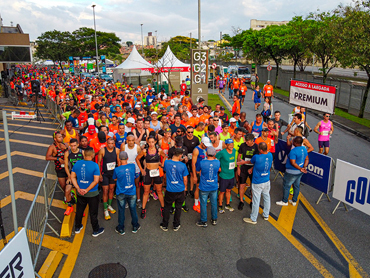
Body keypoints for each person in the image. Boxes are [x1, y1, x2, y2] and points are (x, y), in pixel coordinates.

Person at [71, 148, 104, 237]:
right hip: (92, 193)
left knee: (79, 210)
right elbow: (96, 181)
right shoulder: (95, 165)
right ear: (93, 155)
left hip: (80, 193)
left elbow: (72, 177)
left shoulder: (77, 163)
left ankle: (77, 227)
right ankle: (95, 230)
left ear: (84, 154)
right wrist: (87, 190)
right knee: (93, 213)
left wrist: (78, 188)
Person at [136, 136, 167, 219]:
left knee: (159, 191)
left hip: (156, 172)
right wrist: (142, 169)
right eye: (149, 142)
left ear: (155, 142)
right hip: (148, 172)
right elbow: (137, 159)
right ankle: (143, 209)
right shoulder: (144, 151)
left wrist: (162, 164)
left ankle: (163, 208)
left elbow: (164, 156)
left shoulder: (159, 151)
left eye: (153, 142)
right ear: (147, 142)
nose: (151, 144)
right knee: (146, 192)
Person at [243, 142, 273, 224]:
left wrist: (243, 162)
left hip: (257, 182)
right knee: (267, 197)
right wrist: (253, 168)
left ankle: (253, 218)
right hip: (266, 180)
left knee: (256, 200)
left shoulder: (256, 157)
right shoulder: (270, 155)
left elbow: (251, 162)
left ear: (260, 149)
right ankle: (266, 215)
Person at [160, 148, 189, 232]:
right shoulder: (183, 165)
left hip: (170, 189)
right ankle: (176, 225)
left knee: (167, 207)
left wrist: (164, 185)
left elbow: (165, 174)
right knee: (178, 207)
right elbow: (185, 179)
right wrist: (185, 188)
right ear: (180, 155)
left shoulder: (167, 162)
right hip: (180, 189)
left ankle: (165, 225)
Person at [113, 151, 141, 235]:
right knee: (133, 209)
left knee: (121, 210)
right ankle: (135, 226)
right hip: (131, 191)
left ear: (119, 159)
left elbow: (114, 179)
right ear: (127, 158)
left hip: (121, 192)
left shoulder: (117, 169)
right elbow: (136, 175)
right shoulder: (132, 166)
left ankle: (121, 228)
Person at [276, 137, 309, 206]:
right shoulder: (304, 149)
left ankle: (285, 201)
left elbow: (293, 163)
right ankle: (294, 201)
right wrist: (303, 167)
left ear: (295, 143)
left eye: (293, 141)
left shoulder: (293, 151)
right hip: (299, 173)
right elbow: (306, 159)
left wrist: (300, 168)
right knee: (296, 186)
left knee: (286, 186)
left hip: (291, 172)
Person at [45, 131, 71, 214]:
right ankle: (66, 195)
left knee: (69, 183)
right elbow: (47, 157)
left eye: (61, 137)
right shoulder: (52, 147)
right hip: (59, 169)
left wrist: (66, 149)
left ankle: (69, 197)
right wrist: (57, 159)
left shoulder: (65, 145)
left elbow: (71, 152)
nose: (61, 138)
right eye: (59, 137)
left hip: (68, 167)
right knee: (63, 185)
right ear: (55, 139)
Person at [196, 146, 220, 227]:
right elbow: (218, 170)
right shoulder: (217, 162)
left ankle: (204, 221)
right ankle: (214, 219)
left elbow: (198, 170)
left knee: (203, 203)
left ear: (206, 153)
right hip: (214, 186)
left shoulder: (202, 162)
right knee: (214, 203)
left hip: (204, 186)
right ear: (214, 154)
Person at [97, 138, 121, 220]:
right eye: (109, 143)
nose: (110, 145)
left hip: (113, 174)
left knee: (111, 189)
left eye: (112, 143)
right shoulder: (102, 151)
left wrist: (118, 173)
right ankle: (105, 209)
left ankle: (109, 206)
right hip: (105, 174)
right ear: (106, 143)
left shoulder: (117, 150)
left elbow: (119, 162)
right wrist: (99, 174)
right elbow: (99, 163)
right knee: (105, 191)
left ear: (114, 143)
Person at [237, 134, 259, 210]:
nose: (246, 143)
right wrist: (239, 168)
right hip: (243, 168)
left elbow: (256, 160)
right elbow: (239, 156)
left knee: (253, 186)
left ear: (252, 140)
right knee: (242, 185)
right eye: (246, 141)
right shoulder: (242, 145)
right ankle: (241, 201)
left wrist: (252, 168)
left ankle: (252, 201)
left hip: (252, 169)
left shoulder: (256, 147)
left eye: (248, 142)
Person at [120, 134, 142, 208]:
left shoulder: (137, 147)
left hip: (136, 169)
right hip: (126, 170)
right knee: (127, 185)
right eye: (129, 140)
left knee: (137, 185)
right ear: (127, 140)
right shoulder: (124, 147)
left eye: (133, 140)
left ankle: (138, 200)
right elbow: (121, 158)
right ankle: (127, 201)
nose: (131, 142)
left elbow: (139, 157)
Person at [63, 138, 84, 215]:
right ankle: (69, 206)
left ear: (78, 145)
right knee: (67, 190)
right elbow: (66, 166)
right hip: (72, 175)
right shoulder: (67, 153)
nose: (73, 147)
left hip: (81, 175)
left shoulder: (82, 152)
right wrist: (69, 177)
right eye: (71, 146)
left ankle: (81, 210)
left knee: (81, 193)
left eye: (75, 145)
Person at [216, 138, 236, 213]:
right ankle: (220, 205)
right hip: (224, 175)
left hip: (231, 175)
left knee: (229, 190)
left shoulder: (234, 151)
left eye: (232, 144)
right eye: (230, 144)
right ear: (226, 145)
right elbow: (215, 158)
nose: (231, 146)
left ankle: (227, 204)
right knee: (222, 191)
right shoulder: (222, 152)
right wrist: (218, 168)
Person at [192, 137, 212, 212]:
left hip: (205, 172)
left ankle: (200, 201)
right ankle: (196, 204)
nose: (206, 146)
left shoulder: (207, 148)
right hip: (198, 172)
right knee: (198, 188)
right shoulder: (196, 150)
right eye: (205, 145)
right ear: (201, 143)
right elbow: (193, 164)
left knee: (203, 188)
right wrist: (194, 175)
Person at [183, 126, 200, 197]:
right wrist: (184, 157)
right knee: (184, 174)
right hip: (185, 158)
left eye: (192, 132)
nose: (190, 133)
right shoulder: (183, 139)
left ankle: (191, 189)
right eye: (189, 132)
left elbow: (198, 148)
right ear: (186, 132)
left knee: (192, 173)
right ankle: (185, 189)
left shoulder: (196, 139)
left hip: (193, 158)